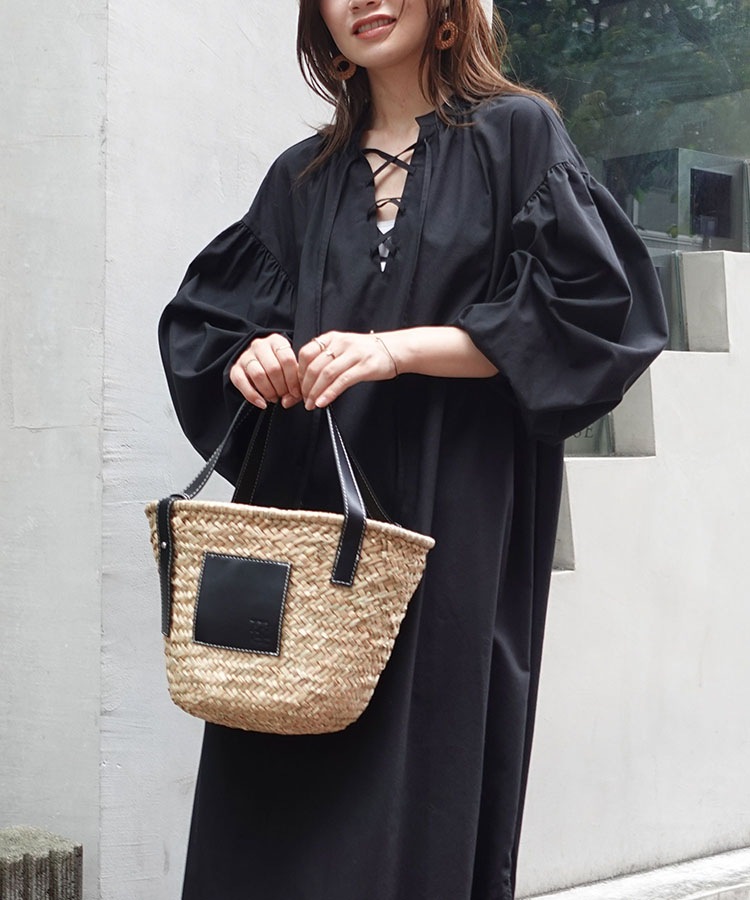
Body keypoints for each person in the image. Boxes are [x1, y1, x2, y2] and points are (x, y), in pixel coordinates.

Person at [158, 1, 668, 898]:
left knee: (424, 785)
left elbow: (587, 311)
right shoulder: (301, 178)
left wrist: (395, 350)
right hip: (311, 528)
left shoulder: (516, 136)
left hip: (455, 515)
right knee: (277, 791)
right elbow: (212, 325)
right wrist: (256, 356)